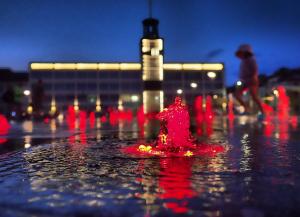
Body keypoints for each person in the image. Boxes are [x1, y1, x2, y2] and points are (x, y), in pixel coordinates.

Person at [234, 44, 264, 114]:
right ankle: (247, 108)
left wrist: (254, 77)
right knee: (237, 95)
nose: (240, 55)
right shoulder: (243, 61)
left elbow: (255, 69)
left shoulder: (251, 59)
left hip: (251, 80)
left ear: (246, 52)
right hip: (244, 81)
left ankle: (263, 112)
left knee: (254, 97)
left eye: (241, 53)